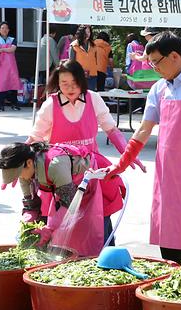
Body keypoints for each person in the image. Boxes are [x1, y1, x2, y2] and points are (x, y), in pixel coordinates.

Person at [104, 31, 181, 264]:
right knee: (168, 231)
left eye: (156, 62)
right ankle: (172, 274)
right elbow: (144, 129)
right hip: (167, 172)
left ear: (174, 56)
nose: (154, 68)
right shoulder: (159, 88)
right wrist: (122, 163)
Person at [26, 60, 145, 243]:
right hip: (61, 174)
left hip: (92, 171)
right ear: (57, 83)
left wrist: (128, 154)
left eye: (74, 83)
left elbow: (111, 129)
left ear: (82, 80)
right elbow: (35, 137)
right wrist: (21, 162)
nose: (70, 88)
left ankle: (106, 254)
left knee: (100, 216)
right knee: (62, 222)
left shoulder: (93, 98)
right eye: (64, 84)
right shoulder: (50, 105)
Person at [0, 142, 125, 256]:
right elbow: (31, 204)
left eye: (18, 174)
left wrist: (49, 228)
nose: (19, 178)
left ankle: (112, 261)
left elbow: (69, 203)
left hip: (98, 182)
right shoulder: (25, 173)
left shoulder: (55, 165)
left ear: (29, 163)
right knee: (74, 236)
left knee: (98, 235)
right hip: (73, 191)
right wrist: (27, 225)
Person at [0, 21, 21, 112]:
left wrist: (2, 49)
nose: (4, 30)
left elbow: (13, 49)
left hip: (11, 65)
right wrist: (4, 49)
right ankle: (0, 105)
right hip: (1, 65)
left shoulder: (13, 39)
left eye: (6, 28)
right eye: (2, 28)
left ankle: (14, 104)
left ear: (8, 30)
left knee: (13, 84)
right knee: (1, 85)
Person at [68, 24, 98, 89]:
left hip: (92, 75)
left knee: (90, 96)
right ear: (81, 33)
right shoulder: (74, 45)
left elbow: (96, 59)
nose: (87, 34)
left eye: (89, 32)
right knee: (79, 96)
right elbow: (71, 63)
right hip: (79, 75)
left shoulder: (94, 45)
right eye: (85, 32)